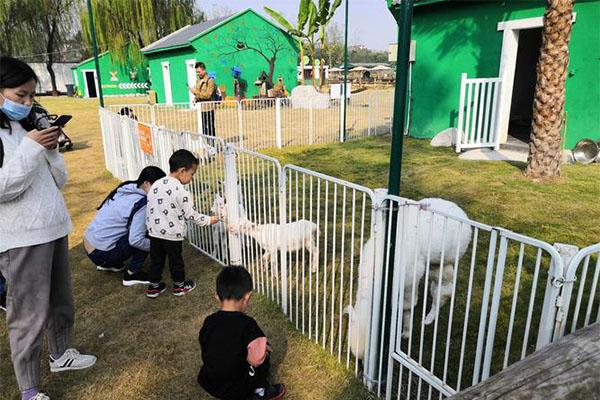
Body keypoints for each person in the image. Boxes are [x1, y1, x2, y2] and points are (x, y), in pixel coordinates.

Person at [0, 55, 96, 400]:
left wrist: (51, 150)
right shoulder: (13, 138)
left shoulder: (29, 128)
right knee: (27, 314)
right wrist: (30, 148)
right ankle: (29, 387)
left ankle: (60, 355)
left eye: (31, 96)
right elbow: (3, 189)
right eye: (20, 95)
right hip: (20, 238)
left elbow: (59, 180)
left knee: (61, 303)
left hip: (53, 228)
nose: (27, 103)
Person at [198, 266, 286, 400]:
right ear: (247, 296)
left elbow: (204, 344)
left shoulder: (209, 321)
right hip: (238, 388)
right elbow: (256, 359)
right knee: (264, 355)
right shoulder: (248, 324)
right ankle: (260, 390)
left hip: (211, 382)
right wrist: (264, 350)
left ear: (217, 296)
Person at [145, 149, 219, 298]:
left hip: (155, 232)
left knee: (156, 260)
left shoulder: (156, 184)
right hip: (172, 234)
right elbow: (191, 215)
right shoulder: (181, 191)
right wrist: (209, 220)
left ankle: (154, 287)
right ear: (182, 171)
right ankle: (179, 286)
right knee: (175, 261)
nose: (191, 179)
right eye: (192, 174)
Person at [83, 166, 166, 286]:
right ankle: (132, 273)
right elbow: (135, 240)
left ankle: (110, 263)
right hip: (101, 254)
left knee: (132, 227)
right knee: (150, 230)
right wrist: (159, 246)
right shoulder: (143, 203)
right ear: (146, 183)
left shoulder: (126, 188)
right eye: (158, 188)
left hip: (89, 244)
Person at [190, 62, 217, 136]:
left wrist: (195, 93)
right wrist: (195, 98)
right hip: (201, 108)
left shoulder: (210, 80)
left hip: (209, 108)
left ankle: (213, 144)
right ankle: (207, 143)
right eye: (196, 72)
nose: (197, 74)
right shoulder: (198, 80)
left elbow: (208, 95)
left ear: (204, 70)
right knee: (203, 128)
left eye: (198, 72)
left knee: (211, 128)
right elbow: (199, 92)